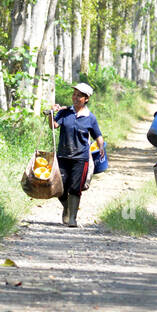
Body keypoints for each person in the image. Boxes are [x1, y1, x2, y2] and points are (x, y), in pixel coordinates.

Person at [47, 83, 105, 228]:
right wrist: (51, 113)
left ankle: (72, 217)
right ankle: (66, 208)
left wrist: (101, 146)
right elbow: (53, 126)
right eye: (74, 94)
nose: (75, 97)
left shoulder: (90, 118)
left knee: (75, 188)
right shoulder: (65, 112)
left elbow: (97, 135)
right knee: (59, 188)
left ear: (86, 99)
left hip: (81, 158)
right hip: (62, 156)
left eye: (79, 95)